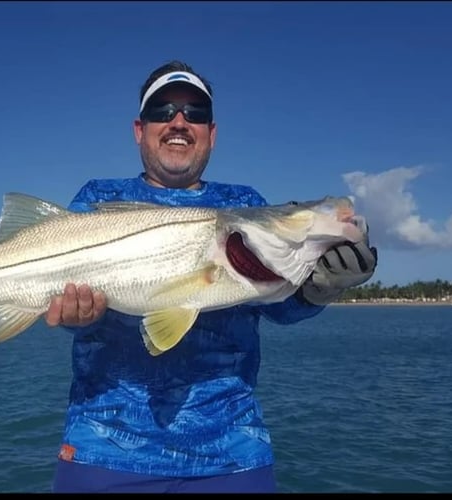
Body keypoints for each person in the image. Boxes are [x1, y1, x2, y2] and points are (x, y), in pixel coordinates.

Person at [45, 60, 378, 493]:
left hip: (232, 455)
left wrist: (317, 289)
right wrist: (77, 316)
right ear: (139, 129)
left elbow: (278, 306)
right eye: (162, 111)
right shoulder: (97, 200)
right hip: (103, 449)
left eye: (195, 113)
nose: (179, 122)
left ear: (212, 133)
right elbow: (69, 310)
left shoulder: (243, 202)